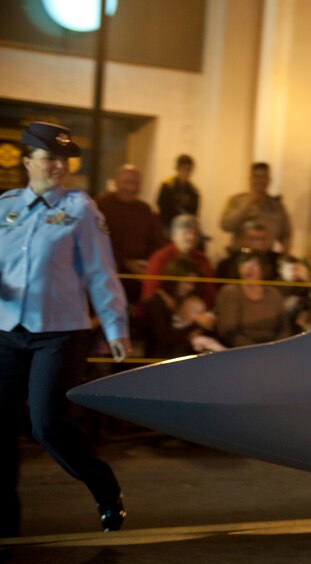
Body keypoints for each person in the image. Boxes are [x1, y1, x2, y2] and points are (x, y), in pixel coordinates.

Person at [0, 122, 132, 536]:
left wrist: (115, 328)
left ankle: (104, 488)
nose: (59, 165)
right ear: (27, 161)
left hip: (60, 333)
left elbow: (101, 273)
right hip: (7, 330)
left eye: (64, 159)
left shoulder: (80, 209)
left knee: (47, 425)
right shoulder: (6, 207)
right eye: (50, 158)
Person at [96, 164, 166, 305]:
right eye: (127, 183)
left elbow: (157, 241)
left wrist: (150, 264)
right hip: (113, 269)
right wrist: (126, 263)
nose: (131, 188)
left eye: (135, 184)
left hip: (143, 270)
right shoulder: (100, 206)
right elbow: (98, 242)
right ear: (116, 183)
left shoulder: (145, 210)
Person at [142, 257, 222, 359]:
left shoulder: (187, 301)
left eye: (193, 284)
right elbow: (165, 338)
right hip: (160, 359)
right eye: (187, 283)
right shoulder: (155, 304)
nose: (191, 288)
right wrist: (196, 324)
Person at [215, 250, 290, 347]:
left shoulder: (274, 294)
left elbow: (284, 329)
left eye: (254, 265)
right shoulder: (230, 292)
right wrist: (255, 350)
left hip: (275, 349)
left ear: (263, 269)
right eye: (244, 265)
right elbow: (229, 331)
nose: (249, 269)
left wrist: (276, 348)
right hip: (241, 350)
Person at [141, 214, 215, 305]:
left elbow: (209, 292)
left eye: (195, 234)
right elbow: (150, 293)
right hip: (162, 308)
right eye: (186, 233)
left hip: (194, 308)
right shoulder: (160, 258)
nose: (191, 237)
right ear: (173, 236)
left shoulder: (202, 259)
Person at [220, 162, 291, 253]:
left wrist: (282, 253)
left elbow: (287, 235)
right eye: (256, 177)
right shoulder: (237, 201)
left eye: (263, 177)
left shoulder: (277, 207)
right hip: (241, 255)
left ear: (269, 180)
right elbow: (226, 225)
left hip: (267, 256)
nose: (260, 181)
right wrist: (247, 205)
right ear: (250, 179)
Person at [156, 154, 200, 236]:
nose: (186, 173)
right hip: (167, 226)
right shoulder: (167, 186)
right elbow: (161, 206)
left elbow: (193, 215)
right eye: (184, 169)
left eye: (189, 170)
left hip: (185, 229)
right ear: (177, 168)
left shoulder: (194, 192)